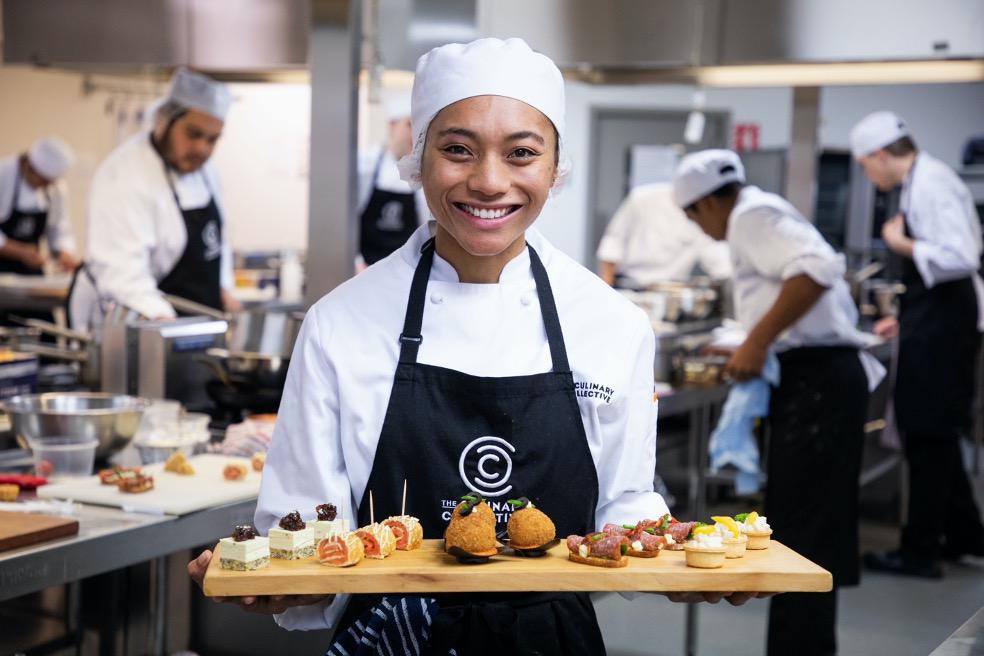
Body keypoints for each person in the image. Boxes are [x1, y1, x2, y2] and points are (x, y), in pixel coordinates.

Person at [188, 38, 767, 654]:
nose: (489, 182)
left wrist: (678, 565)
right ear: (419, 157)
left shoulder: (611, 324)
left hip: (552, 639)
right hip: (389, 638)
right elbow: (304, 523)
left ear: (554, 167)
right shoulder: (340, 324)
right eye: (458, 149)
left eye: (522, 153)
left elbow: (624, 504)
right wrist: (282, 582)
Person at [673, 149, 884, 656]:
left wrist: (757, 341)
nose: (701, 230)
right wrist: (751, 337)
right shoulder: (758, 210)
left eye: (693, 218)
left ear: (704, 203)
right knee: (803, 525)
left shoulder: (750, 216)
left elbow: (816, 268)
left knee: (803, 534)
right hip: (818, 379)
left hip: (819, 381)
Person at [850, 111, 984, 578]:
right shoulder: (921, 180)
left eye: (866, 165)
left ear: (881, 155)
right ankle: (965, 535)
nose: (869, 175)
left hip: (948, 324)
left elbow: (960, 257)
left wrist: (898, 242)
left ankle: (920, 552)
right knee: (935, 434)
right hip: (936, 320)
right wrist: (904, 321)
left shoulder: (930, 184)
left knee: (929, 432)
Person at [67, 67, 240, 335]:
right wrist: (168, 329)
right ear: (164, 119)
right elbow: (122, 276)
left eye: (212, 139)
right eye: (193, 134)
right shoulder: (125, 175)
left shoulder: (207, 174)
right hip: (130, 325)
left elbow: (217, 243)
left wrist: (223, 289)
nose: (202, 149)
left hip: (187, 323)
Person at [0, 137, 81, 326]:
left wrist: (64, 253)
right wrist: (18, 251)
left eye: (49, 182)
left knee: (43, 328)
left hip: (31, 275)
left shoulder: (56, 188)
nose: (47, 186)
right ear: (29, 165)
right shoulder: (3, 175)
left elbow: (60, 228)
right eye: (43, 181)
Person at [597, 181, 731, 288]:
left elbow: (718, 260)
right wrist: (606, 291)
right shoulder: (643, 199)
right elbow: (613, 243)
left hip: (671, 291)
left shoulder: (705, 214)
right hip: (629, 285)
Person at [355, 92, 427, 270]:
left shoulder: (427, 172)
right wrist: (356, 262)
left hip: (408, 271)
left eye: (421, 128)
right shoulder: (365, 164)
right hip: (364, 270)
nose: (415, 134)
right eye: (409, 125)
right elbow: (346, 223)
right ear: (391, 125)